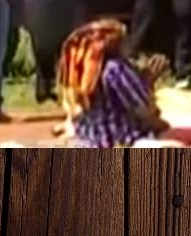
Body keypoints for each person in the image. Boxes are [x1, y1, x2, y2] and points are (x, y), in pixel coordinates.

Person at [58, 19, 170, 147]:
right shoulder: (115, 68)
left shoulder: (80, 72)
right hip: (121, 139)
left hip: (87, 142)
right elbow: (143, 109)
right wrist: (146, 83)